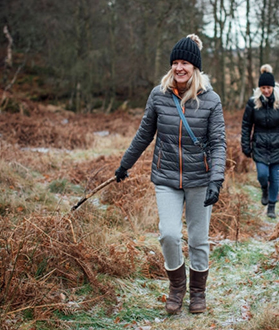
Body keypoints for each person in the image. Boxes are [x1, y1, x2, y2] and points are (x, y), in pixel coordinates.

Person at [113, 34, 226, 315]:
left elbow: (219, 143)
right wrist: (125, 164)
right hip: (166, 177)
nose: (179, 68)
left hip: (200, 179)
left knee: (198, 239)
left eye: (185, 62)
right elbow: (144, 135)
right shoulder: (158, 95)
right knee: (169, 234)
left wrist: (216, 180)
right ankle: (177, 287)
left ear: (195, 67)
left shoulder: (211, 100)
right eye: (175, 62)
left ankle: (198, 293)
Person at [241, 64, 279, 218]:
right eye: (263, 87)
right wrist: (246, 145)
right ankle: (264, 188)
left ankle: (271, 206)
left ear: (273, 87)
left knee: (275, 177)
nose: (266, 90)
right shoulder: (253, 103)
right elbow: (246, 125)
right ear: (260, 88)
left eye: (268, 87)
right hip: (259, 146)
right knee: (262, 175)